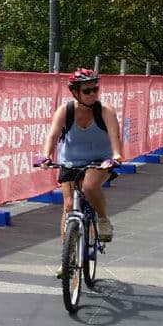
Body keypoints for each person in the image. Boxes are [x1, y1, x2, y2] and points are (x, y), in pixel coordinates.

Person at [37, 69, 124, 248]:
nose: (92, 94)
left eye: (95, 89)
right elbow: (52, 136)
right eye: (87, 91)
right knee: (68, 206)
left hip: (100, 160)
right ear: (75, 93)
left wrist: (116, 155)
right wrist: (46, 156)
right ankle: (68, 258)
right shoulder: (65, 111)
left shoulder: (105, 111)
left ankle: (102, 218)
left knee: (90, 187)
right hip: (70, 160)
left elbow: (115, 136)